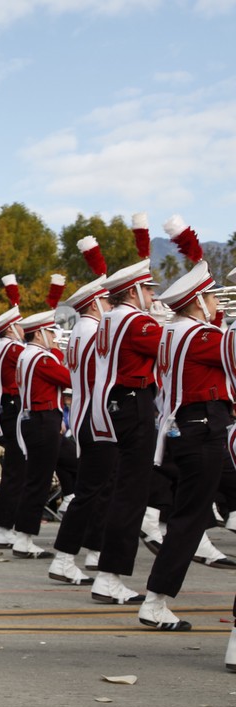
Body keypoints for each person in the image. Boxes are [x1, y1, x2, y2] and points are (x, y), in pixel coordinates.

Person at [139, 250, 231, 631]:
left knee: (190, 515)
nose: (217, 304)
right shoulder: (202, 336)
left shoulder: (172, 331)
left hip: (191, 428)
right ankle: (155, 600)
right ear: (197, 302)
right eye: (212, 297)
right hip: (203, 429)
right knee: (189, 519)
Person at [87, 257, 161, 605]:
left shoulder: (108, 318)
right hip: (134, 403)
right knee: (131, 494)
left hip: (116, 404)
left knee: (122, 489)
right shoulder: (137, 322)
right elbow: (171, 350)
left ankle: (107, 572)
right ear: (133, 291)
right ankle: (110, 576)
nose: (152, 295)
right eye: (148, 289)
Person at [48, 271, 113, 583]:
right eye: (107, 300)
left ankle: (93, 549)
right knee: (93, 492)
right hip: (96, 417)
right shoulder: (93, 331)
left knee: (99, 490)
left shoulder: (79, 331)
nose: (111, 305)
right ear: (96, 302)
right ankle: (66, 557)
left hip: (86, 415)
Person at [10, 310, 72, 557]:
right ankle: (24, 539)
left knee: (67, 463)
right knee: (39, 481)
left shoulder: (27, 355)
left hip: (39, 418)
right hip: (43, 419)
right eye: (49, 332)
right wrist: (59, 352)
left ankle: (70, 499)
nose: (54, 338)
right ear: (38, 334)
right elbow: (68, 378)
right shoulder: (42, 358)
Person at [0, 297, 26, 549]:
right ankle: (6, 527)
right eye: (20, 325)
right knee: (17, 472)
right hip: (15, 407)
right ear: (11, 328)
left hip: (7, 407)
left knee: (15, 471)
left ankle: (4, 527)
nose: (24, 329)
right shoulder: (13, 349)